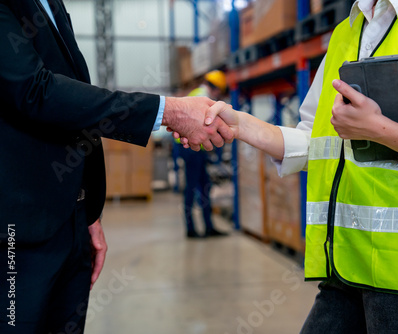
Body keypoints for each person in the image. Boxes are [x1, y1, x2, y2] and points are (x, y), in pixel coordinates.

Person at [181, 0, 398, 331]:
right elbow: (316, 140)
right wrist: (241, 126)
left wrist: (378, 130)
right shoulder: (345, 33)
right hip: (347, 270)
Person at [0, 0, 233, 333]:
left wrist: (88, 208)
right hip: (17, 234)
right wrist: (165, 111)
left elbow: (76, 105)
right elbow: (35, 91)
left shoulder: (51, 3)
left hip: (73, 222)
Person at [178, 70, 229, 238]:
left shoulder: (196, 93)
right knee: (192, 189)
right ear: (216, 89)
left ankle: (207, 226)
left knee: (203, 187)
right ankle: (190, 229)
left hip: (194, 148)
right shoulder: (203, 98)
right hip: (190, 148)